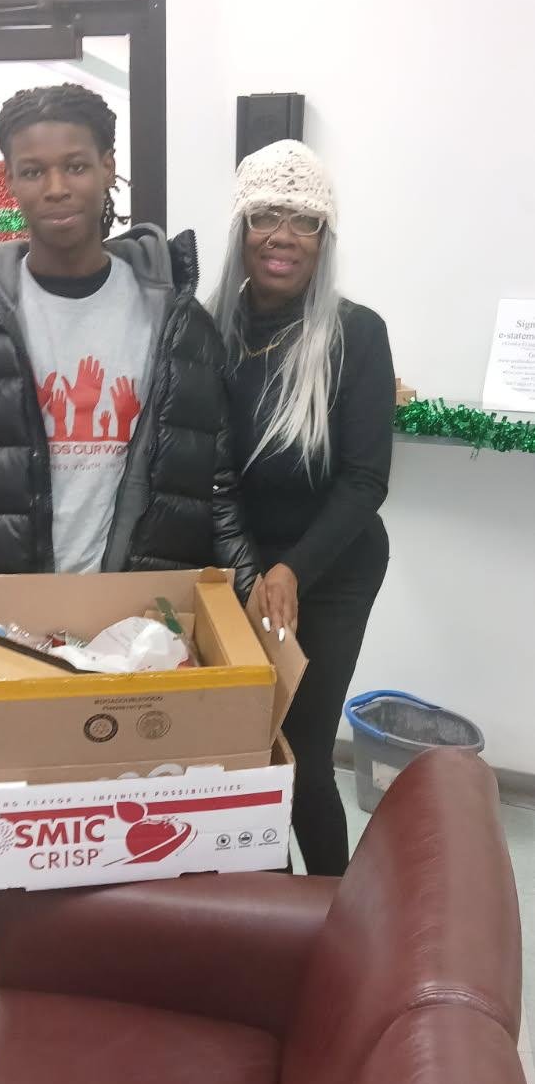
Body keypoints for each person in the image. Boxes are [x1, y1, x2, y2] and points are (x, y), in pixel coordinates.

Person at [0, 83, 257, 676]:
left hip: (140, 636)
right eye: (33, 171)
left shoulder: (178, 324)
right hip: (4, 637)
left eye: (75, 166)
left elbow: (214, 486)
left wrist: (252, 603)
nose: (55, 187)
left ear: (108, 167)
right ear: (10, 180)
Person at [210, 140, 395, 875]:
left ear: (325, 238)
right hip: (238, 562)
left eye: (304, 221)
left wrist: (291, 571)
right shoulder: (207, 332)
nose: (282, 236)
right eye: (265, 215)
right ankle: (266, 902)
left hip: (332, 567)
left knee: (302, 753)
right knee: (239, 748)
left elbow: (365, 480)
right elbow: (209, 472)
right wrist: (249, 572)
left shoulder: (357, 333)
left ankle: (328, 902)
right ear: (241, 228)